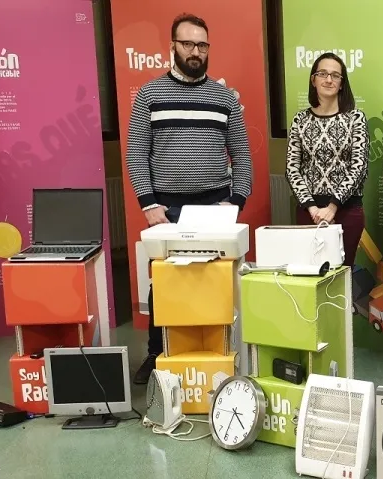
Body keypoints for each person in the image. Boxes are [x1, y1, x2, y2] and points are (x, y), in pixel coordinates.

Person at [125, 13, 252, 384]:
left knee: (213, 281)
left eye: (202, 45)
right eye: (188, 44)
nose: (195, 51)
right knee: (163, 283)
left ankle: (218, 352)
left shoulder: (224, 97)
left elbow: (242, 155)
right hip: (166, 208)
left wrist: (236, 201)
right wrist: (149, 204)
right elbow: (136, 153)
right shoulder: (150, 95)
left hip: (215, 207)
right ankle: (157, 354)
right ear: (173, 47)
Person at [286, 52, 369, 267]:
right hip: (309, 211)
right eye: (322, 74)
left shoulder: (355, 118)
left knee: (343, 272)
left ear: (342, 84)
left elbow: (359, 167)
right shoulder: (300, 120)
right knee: (311, 273)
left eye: (335, 75)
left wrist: (332, 208)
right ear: (313, 80)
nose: (329, 79)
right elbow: (292, 168)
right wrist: (314, 210)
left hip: (347, 211)